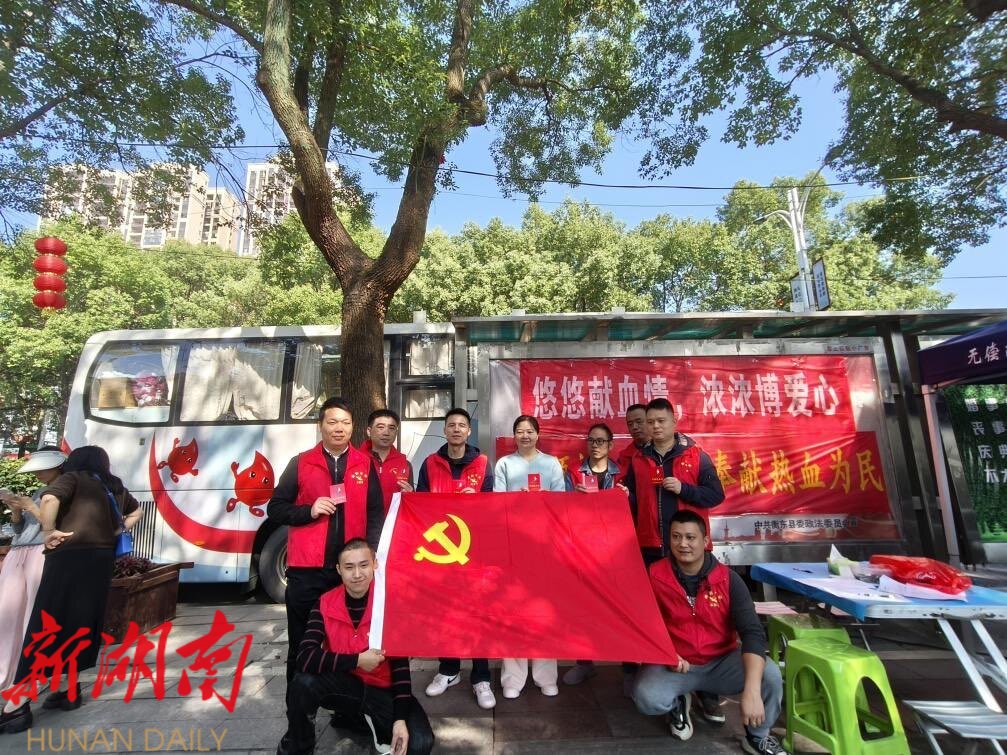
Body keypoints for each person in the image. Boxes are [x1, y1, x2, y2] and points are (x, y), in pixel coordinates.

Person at [0, 445, 141, 734]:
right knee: (78, 625)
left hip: (68, 559)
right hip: (100, 561)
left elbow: (49, 498)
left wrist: (49, 531)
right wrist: (116, 531)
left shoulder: (73, 478)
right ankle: (68, 690)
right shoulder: (113, 485)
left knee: (47, 625)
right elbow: (136, 511)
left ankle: (17, 706)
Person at [633, 510, 786, 754]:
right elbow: (640, 624)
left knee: (770, 675)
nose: (683, 544)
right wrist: (666, 653)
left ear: (705, 541)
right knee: (646, 696)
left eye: (690, 537)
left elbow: (752, 633)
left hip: (722, 662)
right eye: (676, 536)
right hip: (677, 664)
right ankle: (678, 702)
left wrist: (752, 691)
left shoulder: (729, 579)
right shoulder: (653, 575)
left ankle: (758, 737)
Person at [266, 396, 385, 689]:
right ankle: (298, 710)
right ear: (321, 426)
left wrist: (370, 555)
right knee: (301, 645)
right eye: (332, 422)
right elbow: (276, 508)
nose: (339, 428)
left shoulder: (364, 464)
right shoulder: (301, 463)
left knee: (348, 643)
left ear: (353, 427)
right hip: (307, 572)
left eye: (345, 422)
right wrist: (308, 510)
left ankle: (344, 706)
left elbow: (375, 514)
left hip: (348, 573)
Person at [277, 538, 434, 755]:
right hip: (345, 686)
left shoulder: (389, 604)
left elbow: (401, 671)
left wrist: (399, 720)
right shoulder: (324, 603)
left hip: (383, 690)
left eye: (364, 565)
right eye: (349, 567)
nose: (357, 574)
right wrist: (357, 660)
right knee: (303, 682)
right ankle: (296, 749)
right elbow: (305, 657)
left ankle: (374, 722)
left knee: (420, 743)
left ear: (374, 564)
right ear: (339, 570)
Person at [416, 408, 497, 710]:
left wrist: (476, 501)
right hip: (441, 552)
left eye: (462, 425)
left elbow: (492, 505)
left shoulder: (482, 463)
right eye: (451, 425)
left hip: (474, 552)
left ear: (469, 431)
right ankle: (448, 670)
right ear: (445, 430)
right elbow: (421, 503)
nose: (457, 429)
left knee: (478, 612)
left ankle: (481, 676)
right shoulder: (429, 463)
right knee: (443, 612)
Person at [494, 415, 566, 699]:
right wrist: (517, 501)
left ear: (538, 434)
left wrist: (543, 497)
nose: (525, 436)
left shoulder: (551, 463)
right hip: (513, 544)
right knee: (513, 611)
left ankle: (546, 676)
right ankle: (513, 678)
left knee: (544, 612)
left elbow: (562, 502)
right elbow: (496, 503)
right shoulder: (504, 464)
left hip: (544, 546)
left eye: (529, 431)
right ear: (514, 435)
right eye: (520, 431)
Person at [562, 424, 637, 689]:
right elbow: (562, 508)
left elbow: (635, 508)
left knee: (624, 609)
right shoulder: (574, 471)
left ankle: (629, 669)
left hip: (616, 549)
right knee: (584, 607)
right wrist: (575, 499)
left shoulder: (623, 473)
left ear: (610, 444)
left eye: (601, 441)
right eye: (592, 441)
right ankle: (584, 663)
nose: (596, 446)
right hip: (584, 547)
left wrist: (626, 497)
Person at [622, 398, 725, 565]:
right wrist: (627, 496)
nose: (656, 426)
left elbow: (716, 495)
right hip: (652, 548)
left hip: (688, 547)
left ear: (674, 422)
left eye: (661, 421)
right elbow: (636, 503)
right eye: (650, 422)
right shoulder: (638, 459)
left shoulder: (696, 456)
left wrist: (683, 489)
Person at [0, 448, 66, 694]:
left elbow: (51, 527)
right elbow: (19, 531)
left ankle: (34, 672)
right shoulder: (41, 491)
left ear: (58, 466)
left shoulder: (62, 491)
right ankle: (9, 670)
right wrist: (17, 510)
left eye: (43, 468)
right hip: (18, 552)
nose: (38, 473)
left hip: (40, 553)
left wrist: (30, 506)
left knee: (32, 613)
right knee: (8, 612)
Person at [361, 409, 413, 513]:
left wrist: (411, 495)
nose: (386, 433)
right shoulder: (355, 461)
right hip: (362, 522)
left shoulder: (405, 464)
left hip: (394, 521)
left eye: (392, 428)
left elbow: (413, 501)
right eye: (380, 427)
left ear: (396, 432)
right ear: (369, 431)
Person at [615, 403, 649, 472]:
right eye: (630, 424)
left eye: (639, 422)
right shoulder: (624, 457)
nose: (634, 427)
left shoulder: (664, 451)